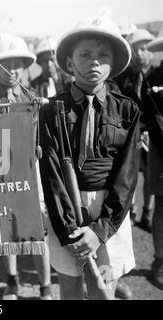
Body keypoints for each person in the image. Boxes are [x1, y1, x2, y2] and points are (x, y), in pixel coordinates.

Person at [39, 16, 140, 300]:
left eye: (102, 55)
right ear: (70, 62)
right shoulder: (52, 110)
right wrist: (69, 228)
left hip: (110, 217)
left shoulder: (127, 111)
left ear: (113, 63)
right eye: (85, 54)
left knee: (103, 287)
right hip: (66, 212)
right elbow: (52, 173)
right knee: (70, 289)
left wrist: (100, 231)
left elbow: (127, 177)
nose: (94, 61)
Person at [0, 33, 53, 300]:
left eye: (17, 64)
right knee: (6, 227)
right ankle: (12, 281)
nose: (12, 70)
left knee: (37, 231)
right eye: (4, 64)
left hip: (30, 172)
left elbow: (43, 135)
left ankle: (45, 287)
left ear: (25, 66)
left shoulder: (33, 97)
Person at [115, 29, 156, 232]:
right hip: (131, 133)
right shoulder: (124, 78)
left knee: (150, 174)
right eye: (137, 49)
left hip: (153, 134)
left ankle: (147, 212)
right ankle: (130, 210)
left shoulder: (156, 75)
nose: (141, 53)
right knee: (130, 173)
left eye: (145, 48)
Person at [141, 31, 163, 290]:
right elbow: (154, 119)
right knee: (162, 205)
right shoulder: (154, 79)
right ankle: (159, 261)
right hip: (160, 148)